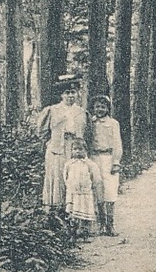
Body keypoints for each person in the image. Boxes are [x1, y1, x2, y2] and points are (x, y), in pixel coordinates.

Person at [36, 76, 86, 209]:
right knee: (57, 178)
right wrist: (50, 143)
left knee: (74, 177)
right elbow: (42, 131)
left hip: (75, 149)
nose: (70, 96)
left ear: (77, 94)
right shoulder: (52, 110)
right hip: (56, 149)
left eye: (73, 92)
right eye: (67, 93)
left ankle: (74, 211)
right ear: (61, 95)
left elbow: (88, 132)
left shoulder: (81, 112)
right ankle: (55, 210)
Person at [85, 95, 123, 235]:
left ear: (107, 108)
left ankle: (110, 224)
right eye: (97, 107)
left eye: (103, 107)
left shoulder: (113, 123)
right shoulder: (91, 123)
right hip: (94, 158)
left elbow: (117, 143)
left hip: (108, 158)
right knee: (98, 191)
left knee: (110, 191)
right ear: (93, 108)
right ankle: (101, 224)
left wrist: (116, 162)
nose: (100, 109)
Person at [63, 139, 100, 238]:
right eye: (75, 149)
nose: (77, 151)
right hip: (73, 193)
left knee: (85, 211)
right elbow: (65, 177)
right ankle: (72, 232)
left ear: (85, 150)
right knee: (72, 213)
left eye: (80, 149)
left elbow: (95, 178)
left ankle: (85, 231)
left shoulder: (89, 164)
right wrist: (70, 186)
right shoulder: (69, 164)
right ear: (71, 151)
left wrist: (90, 187)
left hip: (85, 193)